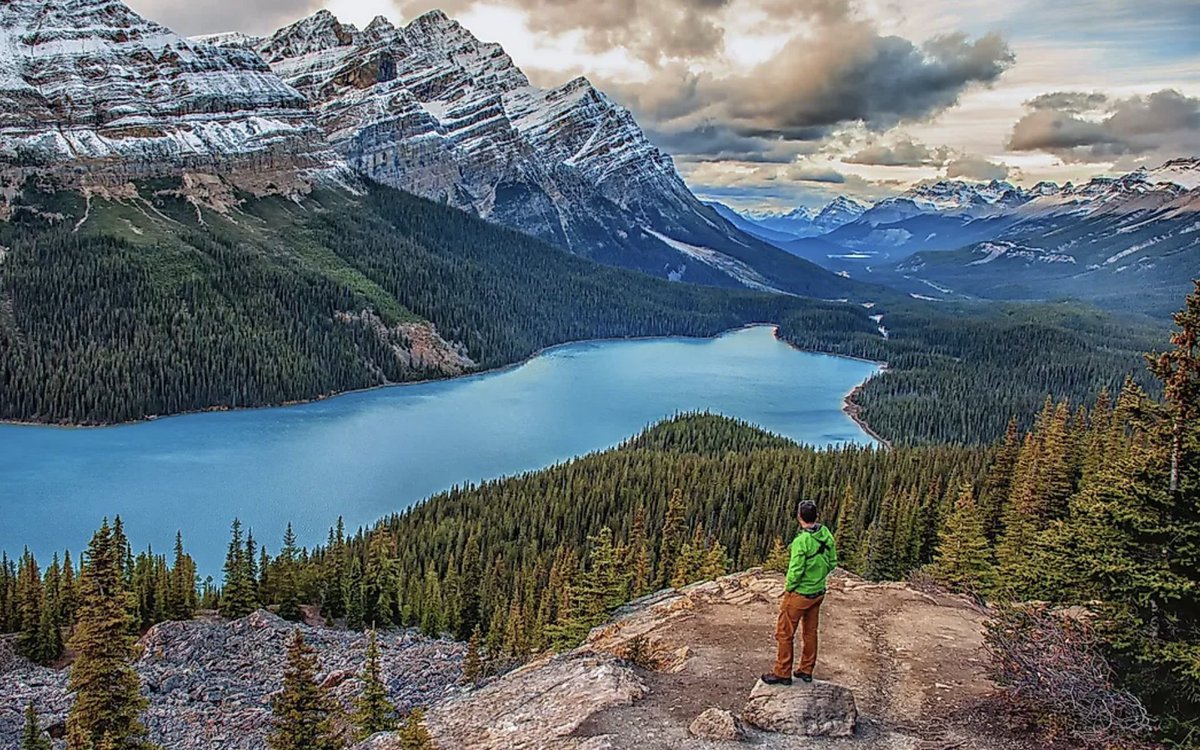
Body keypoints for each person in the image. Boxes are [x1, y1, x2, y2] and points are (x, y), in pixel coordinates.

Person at [761, 500, 838, 685]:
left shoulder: (801, 541)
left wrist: (789, 588)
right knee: (810, 632)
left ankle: (782, 672)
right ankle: (806, 670)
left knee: (784, 633)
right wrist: (818, 577)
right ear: (816, 516)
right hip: (818, 592)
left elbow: (795, 570)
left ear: (799, 517)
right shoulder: (825, 533)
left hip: (800, 594)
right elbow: (833, 562)